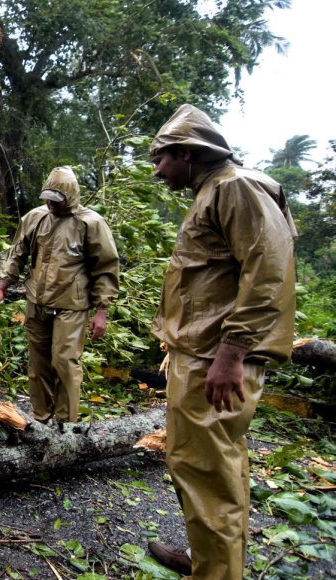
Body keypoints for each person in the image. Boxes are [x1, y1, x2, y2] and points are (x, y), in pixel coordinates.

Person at [145, 105, 297, 579]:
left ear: (187, 153)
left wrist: (231, 353)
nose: (157, 171)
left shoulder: (236, 187)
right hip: (199, 353)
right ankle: (208, 561)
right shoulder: (212, 191)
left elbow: (268, 272)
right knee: (203, 466)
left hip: (217, 357)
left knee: (210, 472)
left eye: (162, 159)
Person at [0, 166, 119, 424]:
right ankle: (40, 418)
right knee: (38, 365)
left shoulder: (90, 223)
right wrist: (3, 286)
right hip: (36, 301)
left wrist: (101, 311)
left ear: (69, 197)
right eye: (47, 198)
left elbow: (105, 268)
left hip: (72, 305)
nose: (50, 203)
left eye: (56, 200)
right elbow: (17, 254)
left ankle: (65, 426)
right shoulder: (35, 218)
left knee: (64, 363)